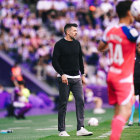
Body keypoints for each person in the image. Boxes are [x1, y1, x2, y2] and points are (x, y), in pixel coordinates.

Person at [98, 1, 140, 140]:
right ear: (130, 13)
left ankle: (115, 135)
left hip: (112, 75)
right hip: (124, 77)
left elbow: (100, 47)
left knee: (117, 113)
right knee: (126, 111)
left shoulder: (109, 30)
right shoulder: (131, 32)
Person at [52, 23, 93, 136]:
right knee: (63, 103)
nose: (76, 32)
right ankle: (62, 130)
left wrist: (83, 74)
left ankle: (80, 128)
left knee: (80, 101)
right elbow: (54, 61)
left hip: (76, 78)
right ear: (68, 32)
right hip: (64, 78)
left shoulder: (77, 43)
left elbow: (80, 60)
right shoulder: (59, 44)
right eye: (74, 30)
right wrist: (62, 74)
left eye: (76, 30)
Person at [128, 37, 140, 126]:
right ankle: (131, 119)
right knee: (132, 99)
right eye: (139, 47)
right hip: (133, 80)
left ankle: (139, 120)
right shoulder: (132, 55)